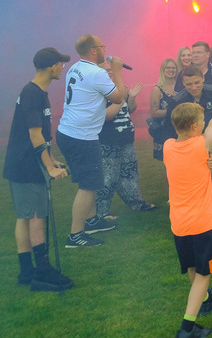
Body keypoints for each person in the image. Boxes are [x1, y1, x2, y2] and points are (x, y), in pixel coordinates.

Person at [5, 48, 73, 290]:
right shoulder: (32, 93)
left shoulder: (38, 92)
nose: (62, 67)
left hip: (21, 163)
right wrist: (48, 168)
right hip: (27, 165)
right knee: (35, 216)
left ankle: (26, 272)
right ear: (51, 67)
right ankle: (43, 271)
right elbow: (34, 135)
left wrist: (52, 159)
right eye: (60, 63)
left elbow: (44, 135)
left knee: (24, 216)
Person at [163, 103, 212, 338]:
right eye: (200, 121)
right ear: (194, 127)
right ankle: (187, 329)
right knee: (203, 274)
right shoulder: (202, 144)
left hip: (179, 224)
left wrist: (206, 161)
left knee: (192, 267)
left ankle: (206, 297)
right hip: (203, 223)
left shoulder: (168, 147)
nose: (203, 124)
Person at [58, 35, 126, 248]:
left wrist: (102, 70)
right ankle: (76, 235)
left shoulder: (75, 67)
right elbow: (118, 97)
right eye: (102, 46)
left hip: (68, 132)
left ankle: (92, 220)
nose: (105, 48)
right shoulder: (97, 73)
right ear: (94, 50)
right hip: (82, 136)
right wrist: (117, 72)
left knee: (89, 181)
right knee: (88, 186)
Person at [164, 66, 212, 232]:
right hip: (189, 147)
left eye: (197, 82)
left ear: (203, 79)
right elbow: (170, 128)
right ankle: (197, 216)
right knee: (196, 187)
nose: (193, 87)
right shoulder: (177, 100)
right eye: (189, 84)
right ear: (183, 83)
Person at [96, 76, 154, 219]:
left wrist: (131, 97)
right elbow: (105, 116)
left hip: (126, 139)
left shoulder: (119, 89)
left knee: (130, 173)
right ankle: (102, 212)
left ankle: (137, 203)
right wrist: (122, 97)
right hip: (108, 141)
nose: (111, 73)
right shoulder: (99, 91)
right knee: (109, 177)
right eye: (108, 71)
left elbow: (129, 109)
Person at [150, 58, 178, 162]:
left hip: (180, 129)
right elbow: (154, 113)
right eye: (168, 68)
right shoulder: (157, 89)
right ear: (163, 70)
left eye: (173, 68)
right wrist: (174, 112)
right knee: (168, 162)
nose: (171, 70)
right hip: (164, 131)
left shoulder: (180, 86)